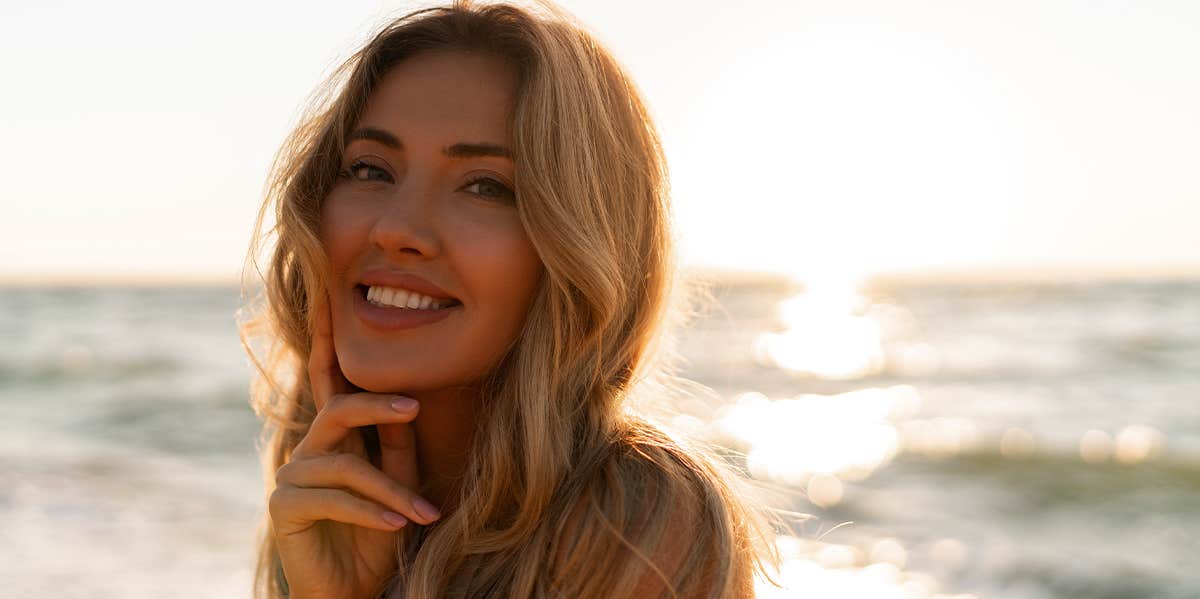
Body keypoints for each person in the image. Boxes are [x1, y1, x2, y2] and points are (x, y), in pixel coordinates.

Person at [237, 1, 783, 597]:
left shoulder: (639, 520)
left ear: (578, 243)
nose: (396, 230)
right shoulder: (324, 503)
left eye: (486, 186)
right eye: (370, 170)